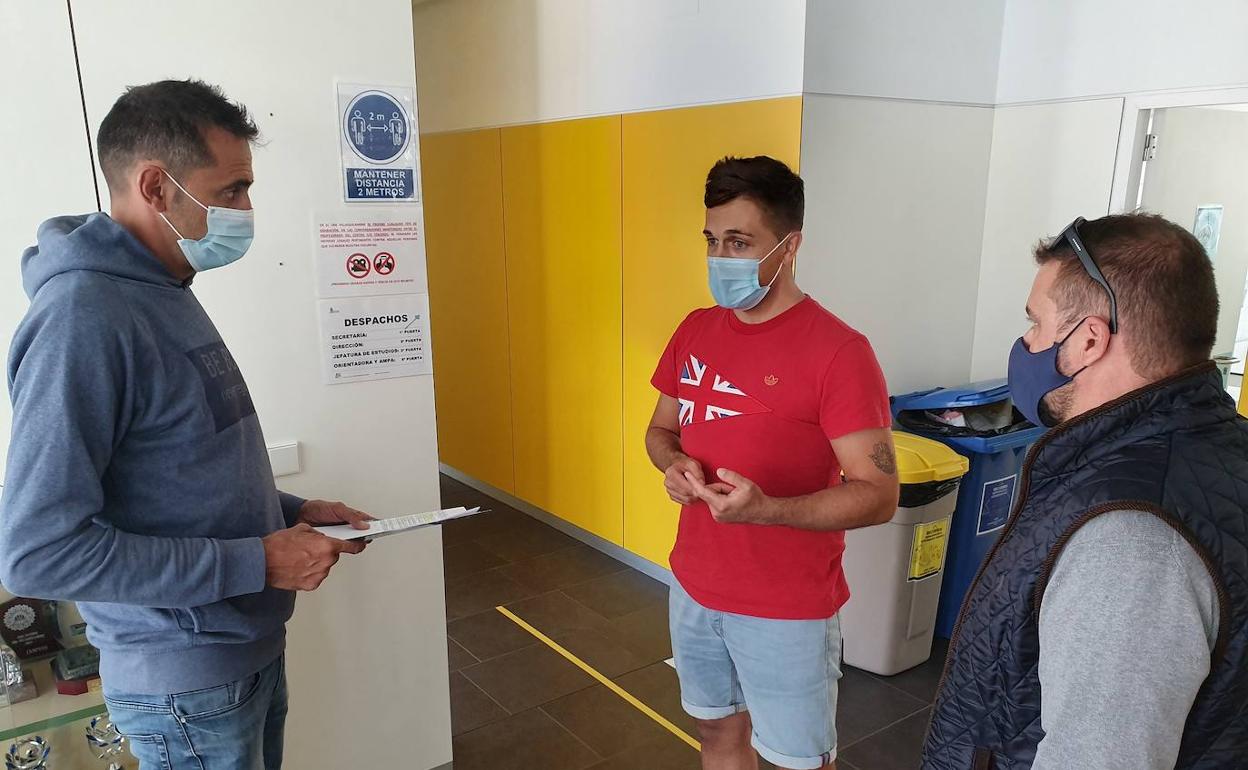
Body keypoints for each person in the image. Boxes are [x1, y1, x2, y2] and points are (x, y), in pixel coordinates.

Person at [0, 80, 374, 770]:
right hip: (185, 683)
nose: (246, 211)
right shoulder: (83, 317)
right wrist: (259, 560)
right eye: (231, 190)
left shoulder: (162, 288)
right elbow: (38, 552)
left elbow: (179, 466)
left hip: (242, 656)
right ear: (155, 186)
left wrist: (291, 511)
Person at [922, 214, 1248, 769]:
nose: (1025, 344)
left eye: (1035, 323)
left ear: (1089, 340)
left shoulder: (1131, 542)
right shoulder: (1214, 448)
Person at [646, 156, 901, 770]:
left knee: (797, 761)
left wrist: (767, 510)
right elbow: (659, 431)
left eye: (739, 242)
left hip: (787, 610)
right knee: (716, 735)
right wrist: (674, 464)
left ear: (790, 246)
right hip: (694, 585)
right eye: (712, 241)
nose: (720, 257)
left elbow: (878, 494)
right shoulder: (695, 330)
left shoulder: (840, 352)